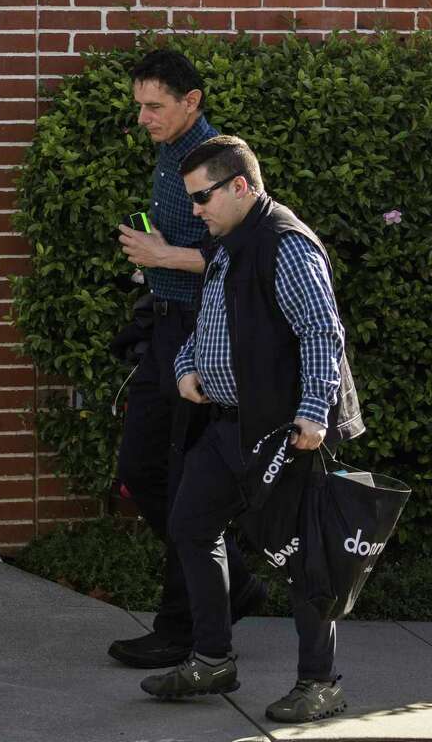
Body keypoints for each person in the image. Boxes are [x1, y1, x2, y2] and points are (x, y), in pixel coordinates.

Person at [140, 135, 365, 724]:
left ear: (240, 185)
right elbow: (209, 323)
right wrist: (187, 365)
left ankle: (320, 683)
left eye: (202, 196)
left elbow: (322, 331)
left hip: (284, 432)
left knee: (305, 559)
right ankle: (213, 658)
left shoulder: (283, 244)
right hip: (227, 429)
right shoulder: (227, 243)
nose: (195, 210)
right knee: (189, 526)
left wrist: (315, 414)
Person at [107, 50, 266, 669]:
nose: (143, 116)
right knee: (142, 471)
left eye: (155, 106)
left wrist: (163, 255)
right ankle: (232, 586)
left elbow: (241, 250)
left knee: (179, 483)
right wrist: (156, 255)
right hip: (167, 331)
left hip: (204, 337)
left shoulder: (215, 162)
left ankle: (182, 626)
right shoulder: (166, 154)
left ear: (191, 101)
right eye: (139, 105)